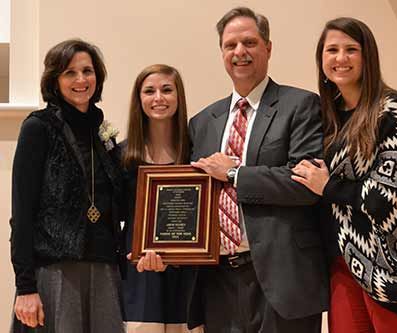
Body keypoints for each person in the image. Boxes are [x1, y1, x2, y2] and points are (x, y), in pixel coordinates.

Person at [141, 7, 329, 333]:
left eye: (249, 42)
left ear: (268, 48)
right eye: (230, 45)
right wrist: (167, 247)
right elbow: (192, 200)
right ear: (222, 53)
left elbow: (304, 185)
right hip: (218, 281)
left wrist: (234, 174)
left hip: (281, 279)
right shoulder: (202, 123)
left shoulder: (300, 105)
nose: (239, 52)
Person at [291, 17, 397, 333]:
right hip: (342, 267)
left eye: (351, 49)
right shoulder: (326, 116)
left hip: (395, 270)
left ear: (367, 56)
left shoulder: (394, 110)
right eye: (332, 50)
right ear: (321, 59)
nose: (340, 58)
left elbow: (390, 194)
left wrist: (328, 186)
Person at [10, 39, 125, 333]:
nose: (81, 80)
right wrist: (25, 288)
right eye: (69, 72)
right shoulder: (38, 127)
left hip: (104, 270)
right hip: (56, 270)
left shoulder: (102, 133)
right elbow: (21, 214)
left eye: (87, 71)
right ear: (54, 79)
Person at [120, 64, 202, 333]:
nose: (158, 98)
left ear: (179, 97)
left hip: (189, 277)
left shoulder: (198, 154)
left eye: (167, 90)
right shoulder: (121, 157)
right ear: (138, 99)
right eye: (149, 91)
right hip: (139, 274)